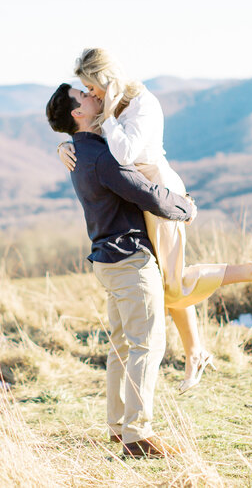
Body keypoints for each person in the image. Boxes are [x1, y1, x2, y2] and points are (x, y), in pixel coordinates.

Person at [57, 48, 252, 392]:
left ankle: (251, 271)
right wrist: (65, 145)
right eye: (85, 90)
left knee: (171, 284)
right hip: (139, 193)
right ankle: (196, 351)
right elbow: (90, 134)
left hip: (159, 192)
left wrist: (107, 115)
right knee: (167, 280)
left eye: (91, 87)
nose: (90, 94)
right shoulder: (111, 106)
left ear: (104, 81)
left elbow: (123, 154)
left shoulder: (141, 105)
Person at [45, 82, 194, 457]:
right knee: (148, 344)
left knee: (122, 347)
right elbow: (145, 192)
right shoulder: (100, 157)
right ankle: (138, 436)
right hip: (129, 260)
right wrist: (185, 208)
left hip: (107, 261)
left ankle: (118, 428)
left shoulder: (81, 152)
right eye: (85, 96)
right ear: (79, 113)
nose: (94, 95)